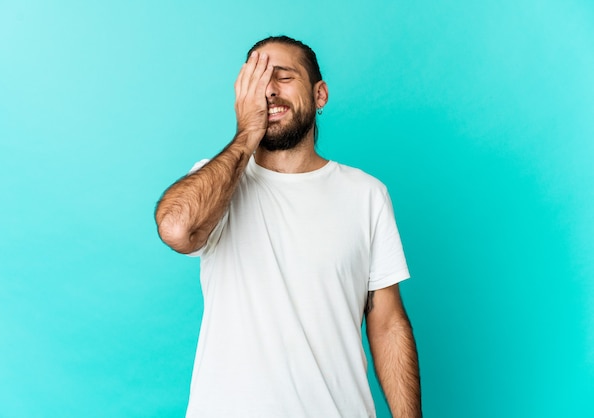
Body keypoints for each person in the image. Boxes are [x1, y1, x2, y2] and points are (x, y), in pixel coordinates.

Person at [155, 35, 422, 418]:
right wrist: (247, 133)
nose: (268, 90)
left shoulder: (366, 195)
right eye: (256, 79)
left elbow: (387, 322)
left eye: (282, 77)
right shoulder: (216, 185)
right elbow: (177, 229)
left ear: (320, 95)